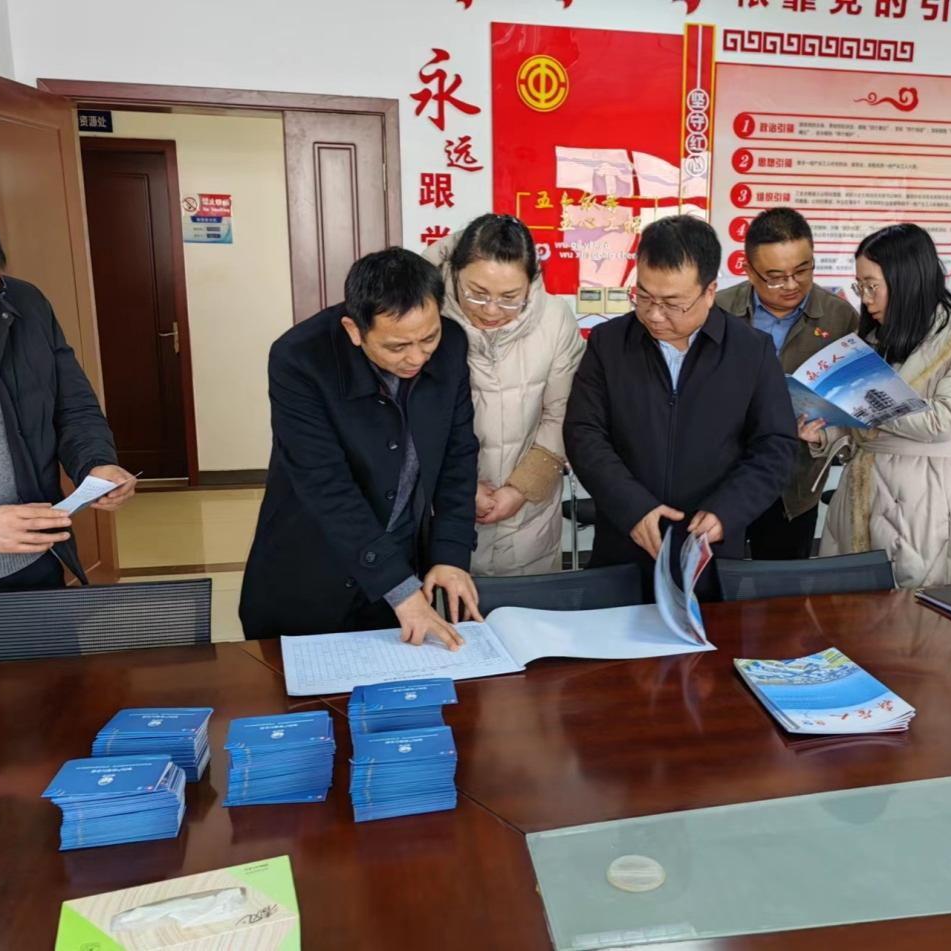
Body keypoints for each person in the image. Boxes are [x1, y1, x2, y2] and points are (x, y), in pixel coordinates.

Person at [239, 248, 481, 645]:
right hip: (312, 566)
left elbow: (459, 456)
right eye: (397, 347)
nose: (417, 357)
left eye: (428, 338)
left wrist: (451, 554)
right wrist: (399, 588)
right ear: (354, 330)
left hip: (399, 563)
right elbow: (325, 483)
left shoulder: (451, 344)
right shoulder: (300, 358)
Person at [563, 214, 797, 593]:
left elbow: (775, 445)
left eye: (673, 303)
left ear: (710, 291)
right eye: (644, 296)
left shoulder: (750, 351)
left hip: (709, 549)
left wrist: (727, 511)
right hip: (624, 542)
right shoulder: (609, 344)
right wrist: (632, 506)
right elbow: (583, 433)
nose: (655, 315)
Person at [0, 203, 134, 640]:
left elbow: (71, 405)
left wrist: (96, 464)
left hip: (31, 564)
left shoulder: (24, 304)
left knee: (50, 683)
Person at [809, 223, 951, 588]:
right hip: (862, 490)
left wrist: (863, 398)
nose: (866, 299)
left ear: (907, 280)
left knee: (928, 611)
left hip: (934, 495)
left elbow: (946, 420)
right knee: (853, 608)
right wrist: (822, 432)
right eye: (860, 286)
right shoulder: (876, 336)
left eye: (872, 286)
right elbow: (859, 423)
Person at [424, 215, 584, 576]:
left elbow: (562, 413)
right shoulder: (427, 315)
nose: (491, 310)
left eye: (510, 298)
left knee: (530, 604)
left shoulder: (555, 319)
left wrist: (521, 489)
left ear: (531, 282)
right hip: (444, 509)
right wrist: (459, 487)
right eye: (476, 293)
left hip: (529, 516)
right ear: (454, 272)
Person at [715, 207, 858, 559]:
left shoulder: (840, 317)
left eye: (802, 270)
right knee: (715, 577)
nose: (792, 285)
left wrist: (824, 429)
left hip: (794, 482)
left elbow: (854, 401)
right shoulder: (718, 311)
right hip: (722, 476)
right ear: (749, 270)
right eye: (776, 277)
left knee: (782, 581)